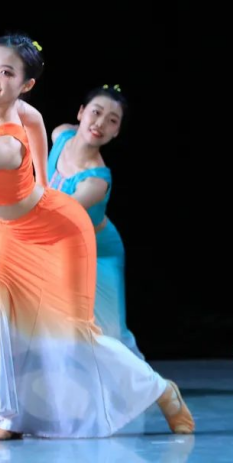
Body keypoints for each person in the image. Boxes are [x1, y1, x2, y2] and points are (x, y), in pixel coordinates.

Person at [0, 34, 192, 439]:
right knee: (6, 323)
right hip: (13, 231)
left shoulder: (12, 146)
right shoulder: (37, 119)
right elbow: (37, 127)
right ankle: (10, 415)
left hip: (60, 233)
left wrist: (38, 197)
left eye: (7, 73)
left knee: (73, 334)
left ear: (26, 83)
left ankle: (161, 390)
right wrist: (40, 185)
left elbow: (18, 150)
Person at [47, 84, 144, 359]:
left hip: (100, 252)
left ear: (116, 132)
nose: (100, 123)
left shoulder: (96, 181)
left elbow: (54, 219)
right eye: (96, 112)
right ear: (81, 112)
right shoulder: (60, 134)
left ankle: (142, 381)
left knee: (112, 335)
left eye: (112, 121)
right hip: (64, 247)